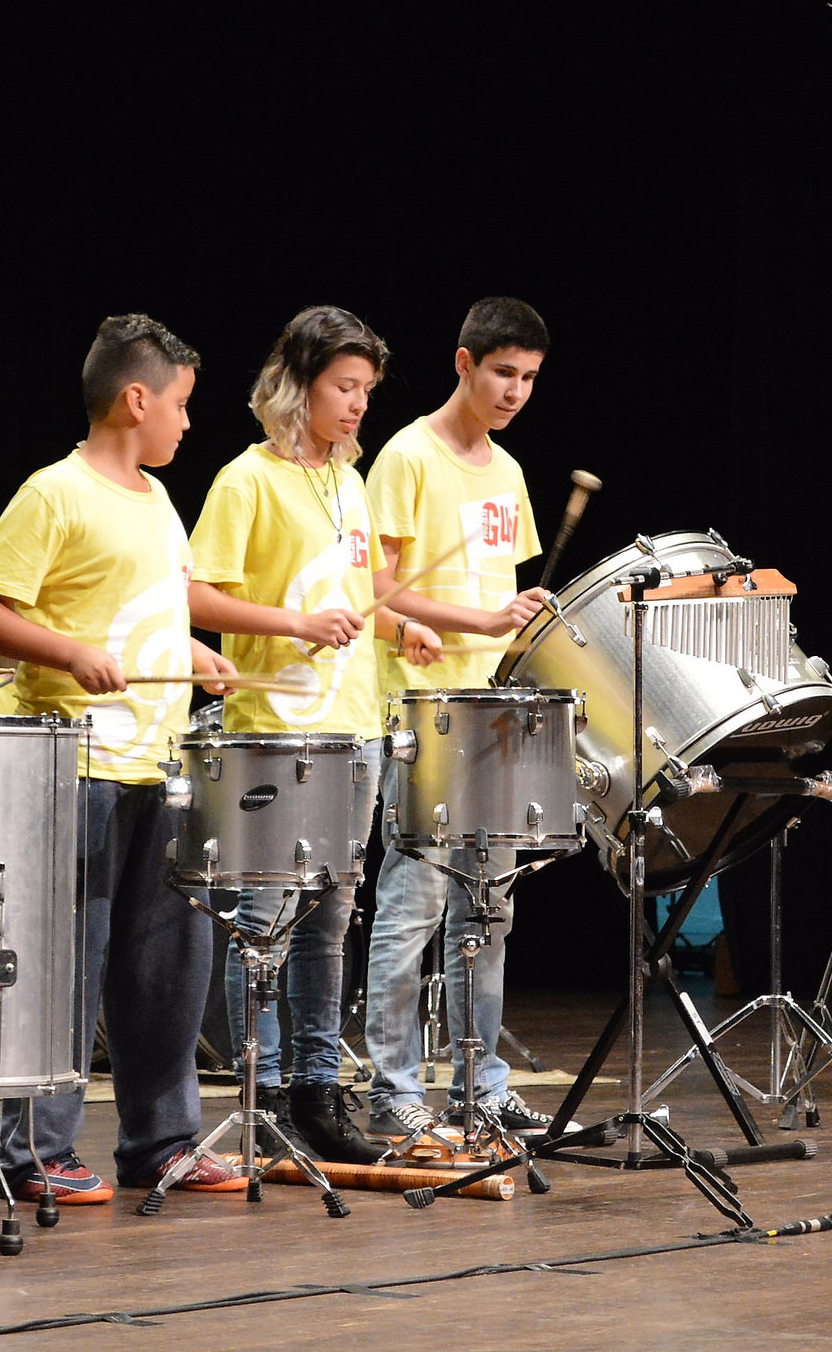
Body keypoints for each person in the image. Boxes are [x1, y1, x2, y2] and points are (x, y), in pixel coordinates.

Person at [0, 314, 245, 1205]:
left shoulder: (157, 500)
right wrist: (64, 652)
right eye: (183, 405)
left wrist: (195, 654)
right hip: (75, 767)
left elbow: (143, 607)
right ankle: (33, 1151)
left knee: (167, 967)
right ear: (136, 398)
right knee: (65, 967)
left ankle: (162, 1143)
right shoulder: (55, 492)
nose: (189, 424)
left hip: (158, 764)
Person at [187, 306, 441, 1165]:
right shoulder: (244, 480)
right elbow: (195, 599)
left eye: (367, 389)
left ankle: (315, 1092)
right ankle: (258, 1097)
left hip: (353, 731)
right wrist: (292, 620)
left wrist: (397, 628)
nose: (359, 404)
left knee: (332, 920)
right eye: (344, 387)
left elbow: (365, 594)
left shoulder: (351, 482)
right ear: (297, 386)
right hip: (274, 734)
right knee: (265, 918)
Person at [361, 298, 561, 1142]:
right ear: (463, 364)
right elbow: (373, 592)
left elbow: (502, 598)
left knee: (490, 912)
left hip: (494, 714)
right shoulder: (407, 456)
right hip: (419, 708)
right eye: (503, 373)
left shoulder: (508, 472)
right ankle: (394, 1085)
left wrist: (529, 625)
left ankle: (481, 1082)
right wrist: (476, 623)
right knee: (414, 907)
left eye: (529, 378)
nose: (515, 391)